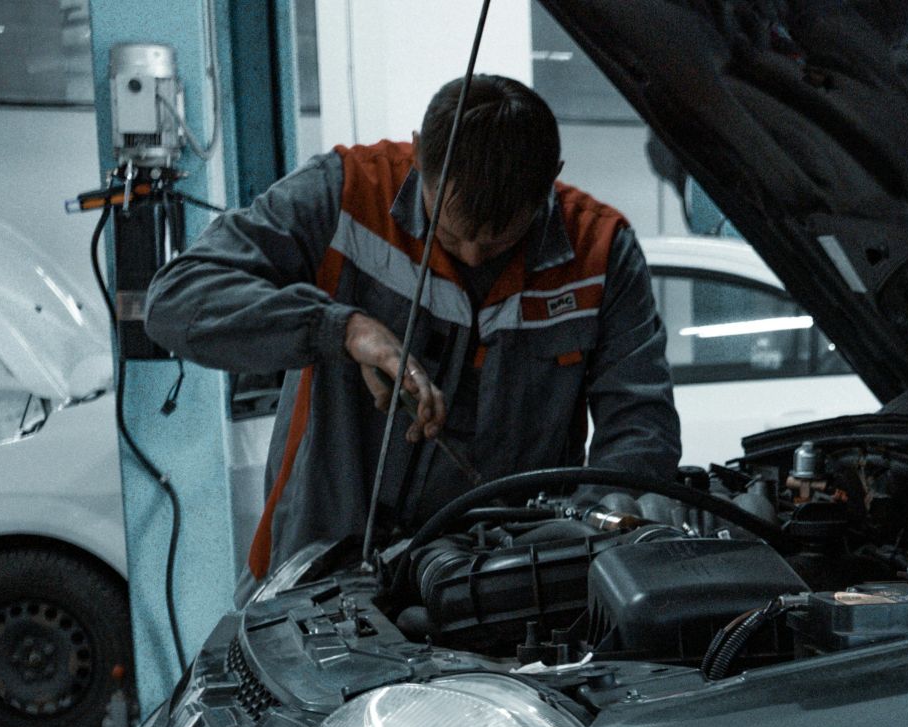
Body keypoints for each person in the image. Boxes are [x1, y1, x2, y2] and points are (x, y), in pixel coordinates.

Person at [144, 75, 680, 583]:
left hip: (508, 587)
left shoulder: (600, 252)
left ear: (552, 176)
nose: (471, 254)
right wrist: (343, 328)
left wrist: (598, 523)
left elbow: (638, 421)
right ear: (421, 153)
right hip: (316, 575)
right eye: (453, 231)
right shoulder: (348, 194)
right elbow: (177, 299)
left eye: (498, 241)